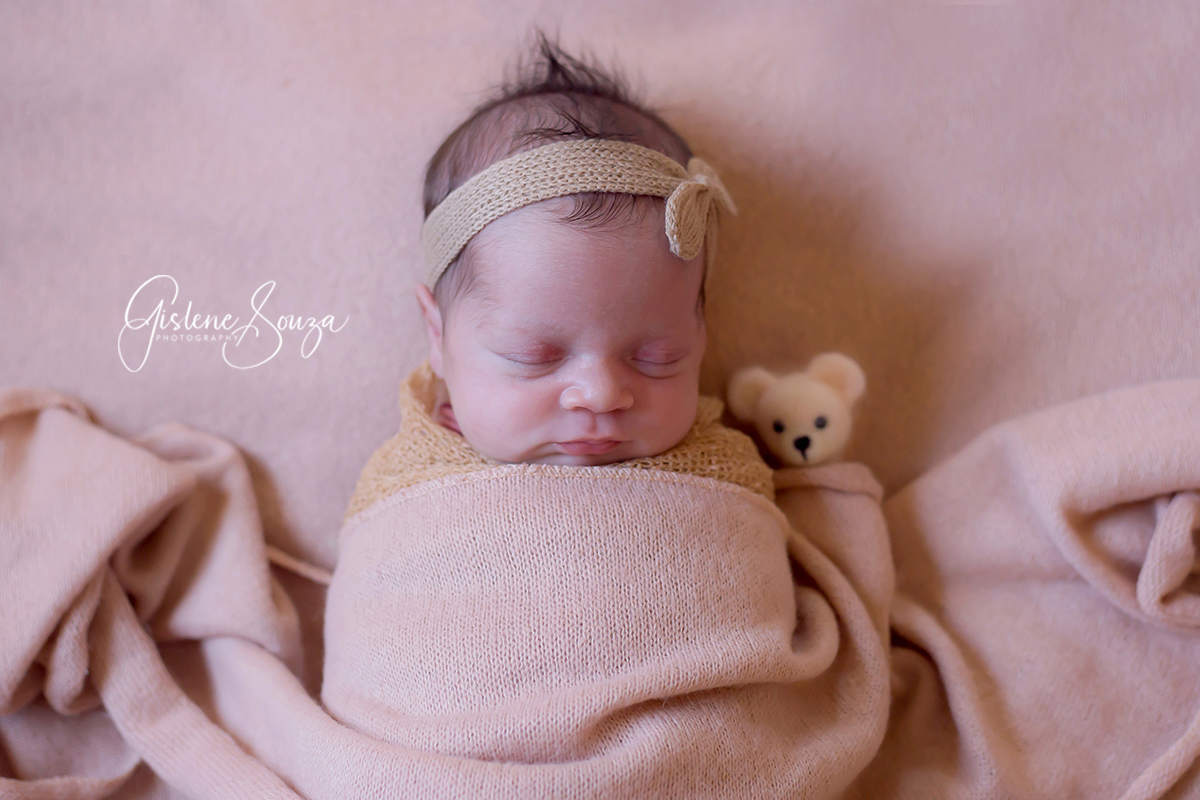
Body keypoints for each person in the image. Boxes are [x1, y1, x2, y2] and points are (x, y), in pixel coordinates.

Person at [343, 31, 773, 522]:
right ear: (438, 335)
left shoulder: (719, 470)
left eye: (658, 357)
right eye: (533, 358)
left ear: (701, 332)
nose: (601, 394)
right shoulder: (412, 479)